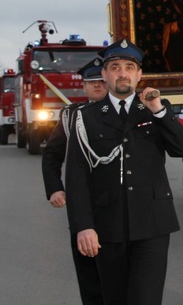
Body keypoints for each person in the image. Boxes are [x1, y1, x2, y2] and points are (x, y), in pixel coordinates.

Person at [64, 39, 183, 304]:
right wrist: (84, 226)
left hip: (152, 224)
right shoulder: (85, 117)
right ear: (104, 74)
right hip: (107, 226)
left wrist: (158, 111)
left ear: (139, 75)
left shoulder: (157, 109)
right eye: (114, 67)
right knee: (113, 299)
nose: (122, 73)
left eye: (129, 67)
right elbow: (76, 177)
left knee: (146, 299)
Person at [42, 57, 107, 304]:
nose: (98, 86)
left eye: (101, 81)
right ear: (84, 87)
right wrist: (55, 188)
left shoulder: (126, 114)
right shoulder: (71, 117)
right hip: (85, 204)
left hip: (119, 202)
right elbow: (51, 154)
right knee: (90, 277)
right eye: (92, 83)